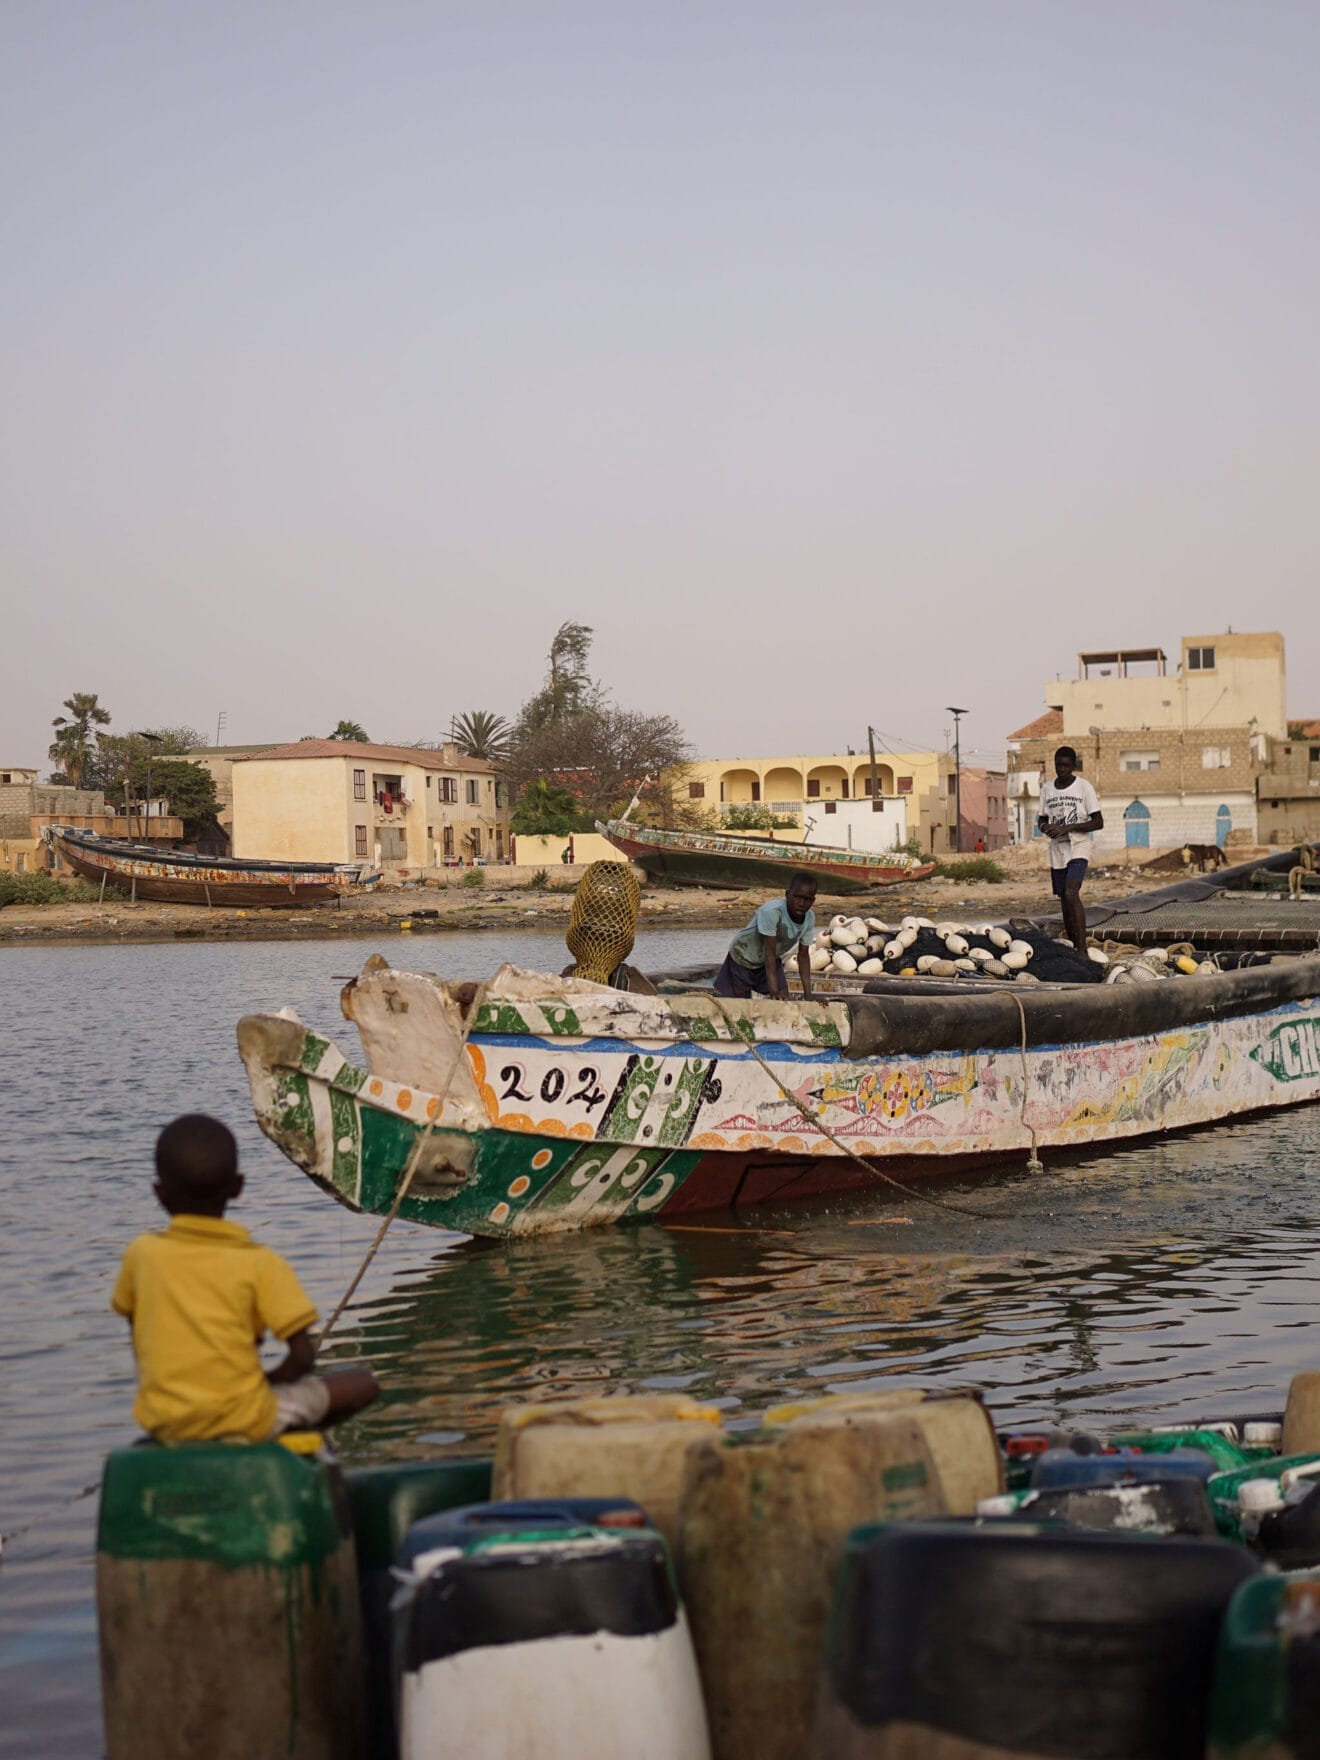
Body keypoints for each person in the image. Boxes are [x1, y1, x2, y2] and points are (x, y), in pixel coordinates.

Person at [112, 1114, 379, 1444]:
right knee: (361, 1383)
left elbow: (138, 1332)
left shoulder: (140, 1255)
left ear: (159, 1193)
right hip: (248, 1417)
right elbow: (303, 1356)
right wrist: (267, 1383)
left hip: (165, 1421)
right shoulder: (259, 1263)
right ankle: (295, 1447)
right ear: (238, 1187)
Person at [1037, 746, 1103, 952]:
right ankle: (1074, 944)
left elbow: (1098, 822)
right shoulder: (1047, 789)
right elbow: (1041, 819)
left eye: (1066, 765)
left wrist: (1070, 827)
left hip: (1078, 847)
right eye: (1059, 765)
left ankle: (1082, 948)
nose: (1062, 769)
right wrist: (1046, 828)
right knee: (1064, 898)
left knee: (1071, 891)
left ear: (1073, 766)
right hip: (1058, 850)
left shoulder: (1084, 787)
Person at [713, 872, 818, 1001]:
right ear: (787, 895)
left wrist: (809, 995)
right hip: (743, 956)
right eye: (797, 897)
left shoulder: (809, 918)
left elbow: (803, 956)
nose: (801, 903)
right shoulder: (772, 912)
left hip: (768, 961)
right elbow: (770, 954)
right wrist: (774, 992)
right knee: (740, 1004)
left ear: (813, 901)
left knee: (784, 997)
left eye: (807, 899)